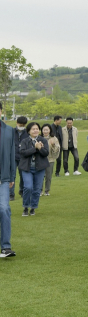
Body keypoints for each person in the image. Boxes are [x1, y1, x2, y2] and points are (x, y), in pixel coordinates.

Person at [19, 122, 49, 217]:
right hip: (27, 168)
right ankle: (25, 207)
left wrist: (40, 148)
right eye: (33, 129)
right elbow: (23, 152)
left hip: (39, 169)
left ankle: (33, 208)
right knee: (28, 187)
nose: (35, 130)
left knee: (37, 190)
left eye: (37, 129)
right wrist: (35, 148)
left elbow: (46, 153)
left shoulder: (43, 140)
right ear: (28, 131)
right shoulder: (25, 141)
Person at [0, 102, 17, 258]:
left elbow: (12, 154)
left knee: (4, 209)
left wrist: (12, 176)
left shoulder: (9, 131)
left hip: (3, 179)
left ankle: (5, 247)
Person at [10, 116, 28, 201]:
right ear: (17, 123)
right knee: (12, 176)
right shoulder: (11, 132)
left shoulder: (27, 133)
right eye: (20, 124)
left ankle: (22, 191)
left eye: (23, 125)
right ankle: (11, 194)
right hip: (12, 157)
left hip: (23, 157)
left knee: (23, 176)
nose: (22, 126)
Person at [40, 124, 60, 197]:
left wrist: (54, 145)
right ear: (42, 130)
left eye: (47, 130)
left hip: (50, 160)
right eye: (44, 130)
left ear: (50, 130)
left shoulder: (54, 138)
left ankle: (47, 190)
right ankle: (40, 190)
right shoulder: (39, 138)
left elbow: (57, 150)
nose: (45, 131)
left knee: (48, 176)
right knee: (40, 176)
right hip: (40, 160)